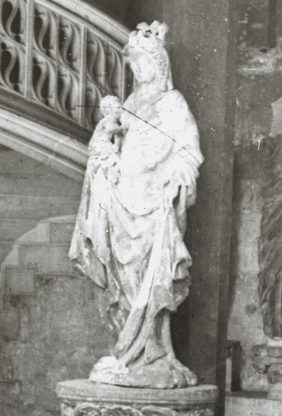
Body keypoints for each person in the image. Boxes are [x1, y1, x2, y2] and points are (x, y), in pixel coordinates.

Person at [69, 22, 202, 388]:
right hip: (123, 201)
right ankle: (127, 350)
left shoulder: (172, 103)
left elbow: (189, 152)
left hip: (154, 206)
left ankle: (151, 354)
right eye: (134, 63)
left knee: (151, 278)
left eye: (144, 61)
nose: (138, 69)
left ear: (159, 64)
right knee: (122, 278)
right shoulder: (129, 103)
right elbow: (117, 144)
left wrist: (178, 179)